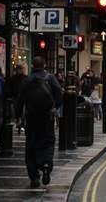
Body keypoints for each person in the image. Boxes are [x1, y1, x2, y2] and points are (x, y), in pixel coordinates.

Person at [17, 56, 62, 188]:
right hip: (47, 117)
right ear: (44, 65)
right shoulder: (50, 78)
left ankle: (34, 177)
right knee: (48, 142)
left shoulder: (27, 80)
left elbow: (19, 101)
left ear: (32, 65)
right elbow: (59, 93)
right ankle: (46, 164)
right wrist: (55, 107)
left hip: (31, 118)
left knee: (31, 146)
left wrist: (19, 117)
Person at [9, 65, 27, 134]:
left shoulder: (25, 78)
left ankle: (21, 123)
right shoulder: (14, 78)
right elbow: (11, 87)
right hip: (16, 97)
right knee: (17, 111)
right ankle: (19, 122)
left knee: (22, 111)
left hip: (22, 97)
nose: (20, 71)